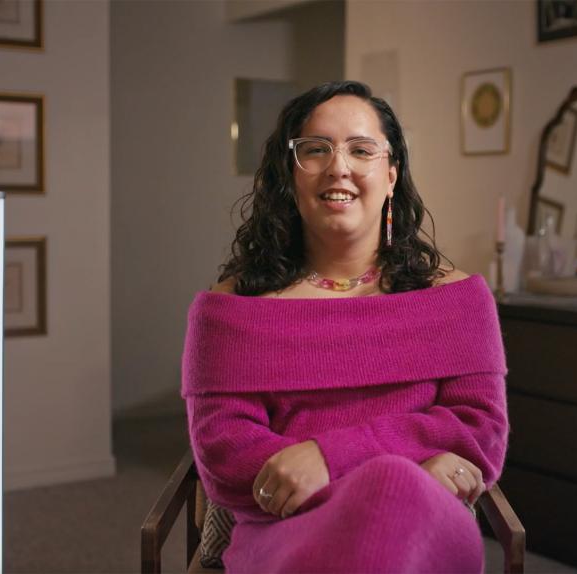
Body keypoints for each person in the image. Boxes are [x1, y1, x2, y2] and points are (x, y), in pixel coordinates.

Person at [181, 81, 509, 573]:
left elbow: (480, 432)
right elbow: (225, 456)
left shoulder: (457, 300)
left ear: (391, 175)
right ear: (290, 174)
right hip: (286, 527)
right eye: (316, 149)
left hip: (424, 521)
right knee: (392, 488)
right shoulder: (231, 308)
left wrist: (329, 457)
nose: (339, 166)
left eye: (361, 149)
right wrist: (409, 465)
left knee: (395, 492)